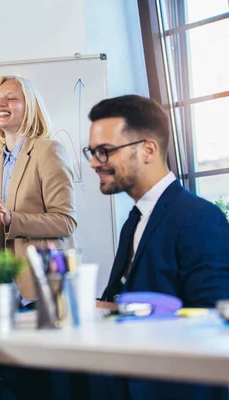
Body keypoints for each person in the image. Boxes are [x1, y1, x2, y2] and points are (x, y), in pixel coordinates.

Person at [83, 94, 229, 399]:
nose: (95, 163)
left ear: (148, 149)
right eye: (92, 152)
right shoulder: (133, 222)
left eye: (104, 151)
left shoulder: (199, 218)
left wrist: (116, 310)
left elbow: (213, 320)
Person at [0, 75, 77, 302]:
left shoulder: (48, 151)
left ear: (30, 107)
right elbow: (3, 232)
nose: (0, 104)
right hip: (8, 287)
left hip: (46, 282)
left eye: (11, 98)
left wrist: (12, 219)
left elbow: (66, 222)